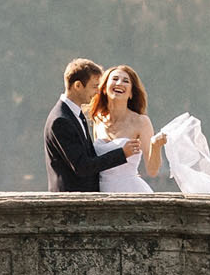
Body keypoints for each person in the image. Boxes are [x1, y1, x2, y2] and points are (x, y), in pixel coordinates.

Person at [43, 57, 140, 191]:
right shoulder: (60, 120)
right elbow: (82, 166)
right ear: (78, 86)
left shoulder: (77, 114)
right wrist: (121, 154)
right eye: (94, 86)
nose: (97, 92)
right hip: (69, 202)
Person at [87, 64, 165, 193]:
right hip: (102, 193)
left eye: (125, 81)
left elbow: (152, 171)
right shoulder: (98, 119)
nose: (119, 83)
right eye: (115, 79)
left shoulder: (141, 121)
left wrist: (156, 146)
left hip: (131, 192)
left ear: (131, 93)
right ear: (105, 88)